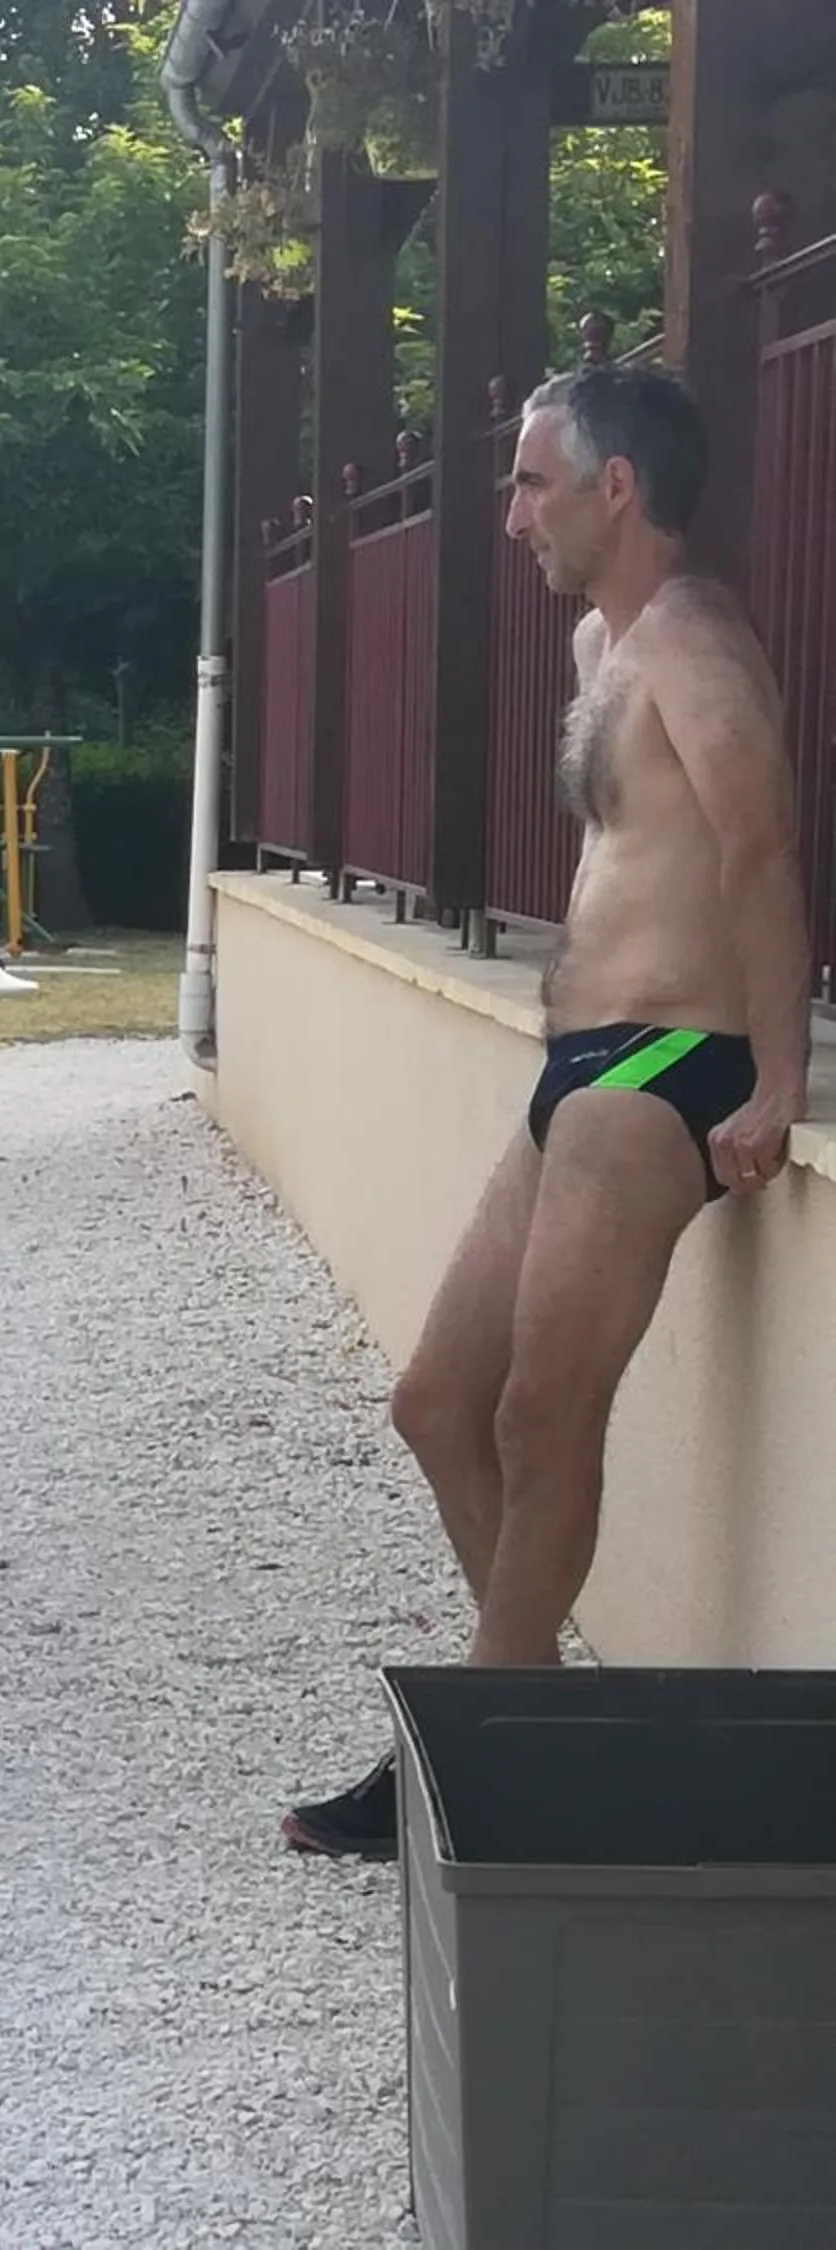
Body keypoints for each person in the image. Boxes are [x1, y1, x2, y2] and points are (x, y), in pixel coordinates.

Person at [282, 364, 811, 1859]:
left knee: (539, 1408)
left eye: (531, 482)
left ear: (617, 487)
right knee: (438, 1402)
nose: (512, 511)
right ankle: (539, 1713)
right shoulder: (602, 636)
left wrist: (776, 1077)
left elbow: (765, 854)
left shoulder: (696, 643)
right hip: (584, 1066)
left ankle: (486, 1757)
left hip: (668, 1062)